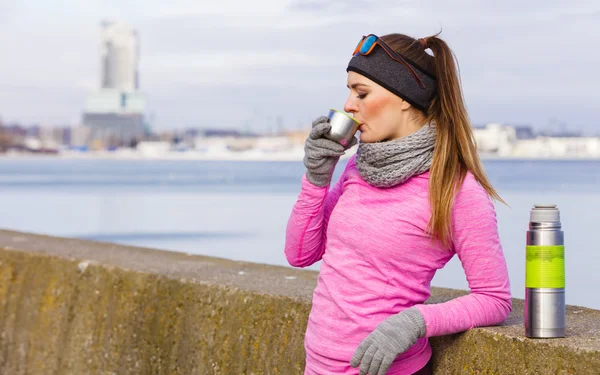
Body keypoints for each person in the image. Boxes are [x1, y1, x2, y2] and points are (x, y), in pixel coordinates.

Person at [284, 32, 512, 375]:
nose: (348, 105)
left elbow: (494, 300)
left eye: (361, 93)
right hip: (317, 366)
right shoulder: (355, 169)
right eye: (349, 92)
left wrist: (414, 322)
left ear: (405, 97)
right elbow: (300, 254)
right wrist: (317, 177)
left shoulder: (457, 190)